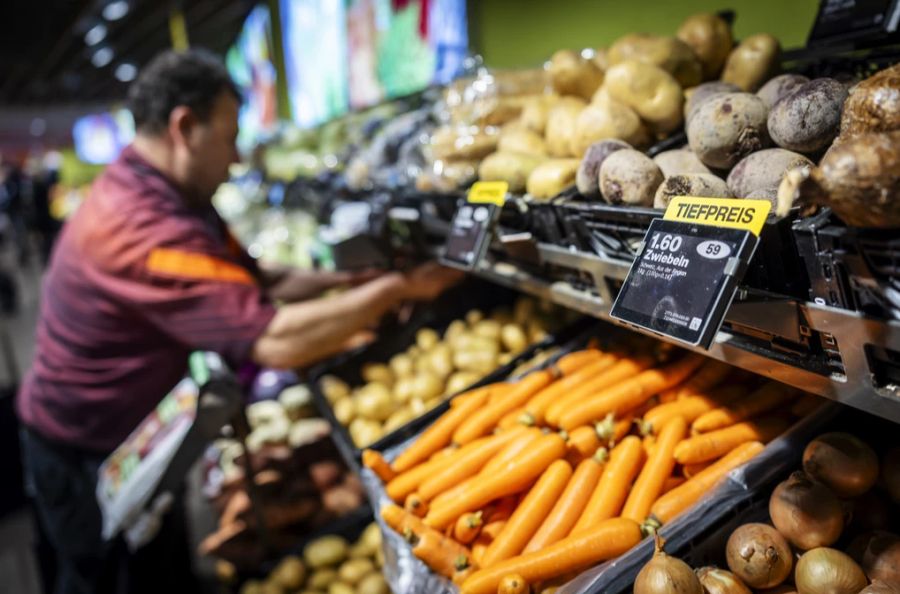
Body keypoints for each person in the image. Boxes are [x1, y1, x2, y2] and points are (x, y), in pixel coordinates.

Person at [16, 49, 461, 594]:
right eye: (229, 138)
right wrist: (399, 288)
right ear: (185, 127)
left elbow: (254, 278)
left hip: (125, 432)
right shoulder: (140, 230)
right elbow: (273, 340)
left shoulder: (170, 196)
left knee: (160, 563)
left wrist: (353, 283)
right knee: (103, 578)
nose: (235, 158)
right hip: (84, 451)